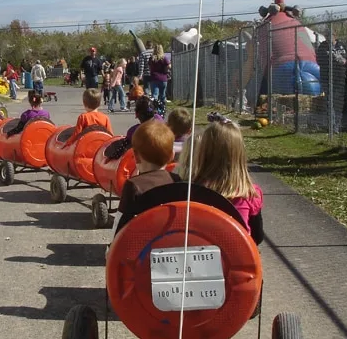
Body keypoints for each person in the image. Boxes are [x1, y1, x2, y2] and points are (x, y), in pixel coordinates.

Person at [176, 112, 264, 242]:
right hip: (238, 258)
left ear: (203, 151)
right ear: (239, 154)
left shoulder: (190, 191)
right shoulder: (250, 194)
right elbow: (257, 237)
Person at [113, 121, 181, 235]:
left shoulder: (133, 185)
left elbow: (121, 222)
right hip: (169, 240)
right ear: (172, 156)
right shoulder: (177, 181)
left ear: (136, 157)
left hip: (141, 245)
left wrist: (111, 247)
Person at [147, 44, 171, 114]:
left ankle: (155, 109)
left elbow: (149, 68)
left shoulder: (151, 59)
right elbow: (169, 66)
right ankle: (162, 109)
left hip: (154, 78)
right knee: (162, 95)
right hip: (163, 78)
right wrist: (165, 69)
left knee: (155, 95)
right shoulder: (164, 58)